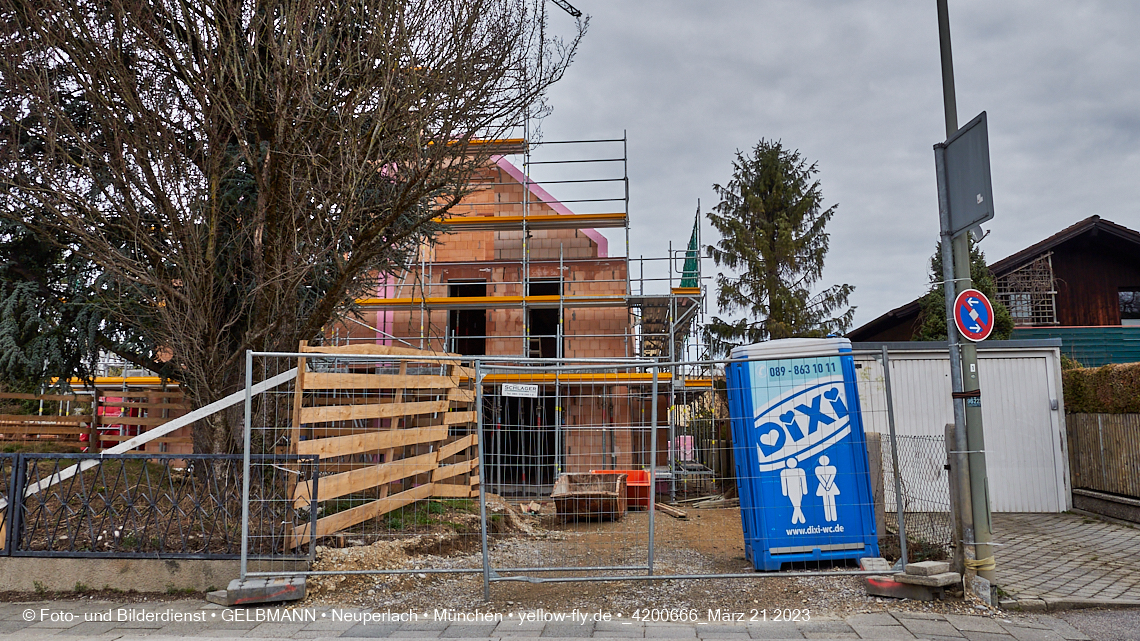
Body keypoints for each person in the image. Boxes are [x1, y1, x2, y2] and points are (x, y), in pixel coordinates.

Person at [780, 458, 808, 524]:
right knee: (796, 504)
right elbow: (783, 482)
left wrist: (804, 490)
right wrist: (785, 492)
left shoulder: (800, 471)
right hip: (791, 489)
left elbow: (803, 481)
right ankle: (801, 520)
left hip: (798, 488)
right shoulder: (784, 472)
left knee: (797, 504)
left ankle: (796, 520)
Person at [815, 455, 840, 522]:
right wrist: (827, 485)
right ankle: (829, 518)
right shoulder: (818, 469)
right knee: (827, 501)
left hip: (827, 486)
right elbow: (820, 478)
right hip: (828, 486)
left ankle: (833, 518)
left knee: (830, 500)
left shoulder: (832, 468)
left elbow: (832, 477)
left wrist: (826, 485)